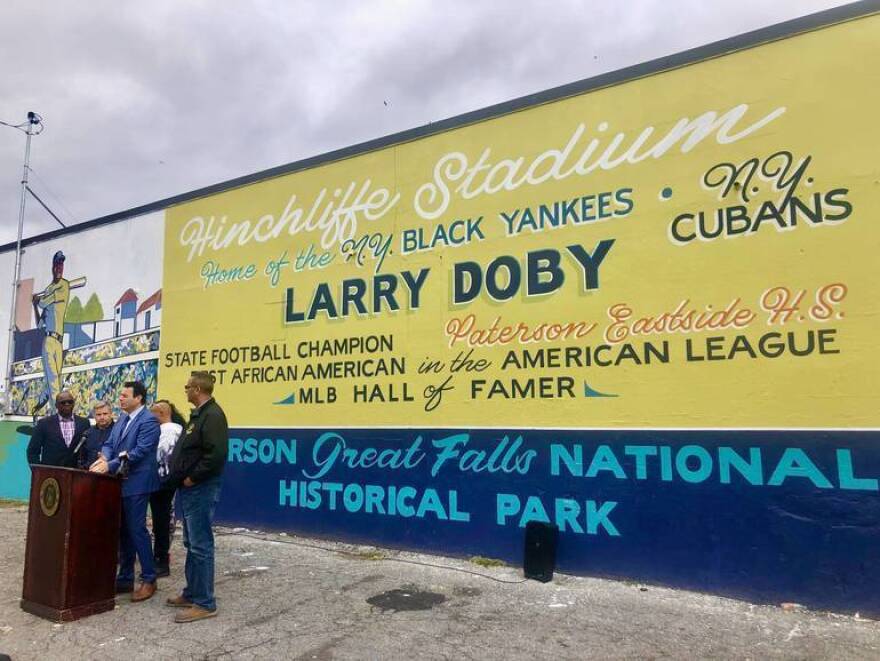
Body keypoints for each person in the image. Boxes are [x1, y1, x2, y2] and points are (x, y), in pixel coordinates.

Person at [165, 371, 228, 623]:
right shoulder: (199, 415)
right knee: (192, 544)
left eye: (188, 386)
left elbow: (216, 455)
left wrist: (192, 478)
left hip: (200, 488)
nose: (185, 389)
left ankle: (205, 603)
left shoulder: (213, 416)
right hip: (190, 490)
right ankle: (192, 593)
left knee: (201, 545)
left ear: (198, 389)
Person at [90, 380, 161, 602]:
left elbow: (139, 452)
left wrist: (109, 465)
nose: (120, 398)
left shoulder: (149, 421)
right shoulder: (122, 419)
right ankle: (125, 577)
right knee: (123, 531)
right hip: (120, 482)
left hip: (138, 483)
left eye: (124, 395)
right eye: (120, 395)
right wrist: (104, 456)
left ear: (138, 398)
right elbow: (110, 443)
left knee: (137, 529)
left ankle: (149, 579)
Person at [31, 250, 85, 417]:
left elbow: (46, 301)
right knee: (54, 382)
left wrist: (38, 300)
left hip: (59, 342)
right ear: (53, 267)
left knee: (53, 383)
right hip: (49, 340)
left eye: (61, 265)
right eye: (57, 265)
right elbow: (40, 323)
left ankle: (36, 408)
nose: (59, 268)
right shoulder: (49, 289)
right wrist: (34, 305)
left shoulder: (63, 286)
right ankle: (58, 420)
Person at [149, 400, 184, 578]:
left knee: (161, 522)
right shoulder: (176, 429)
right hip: (164, 482)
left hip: (161, 482)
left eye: (152, 414)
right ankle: (160, 558)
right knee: (162, 521)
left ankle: (161, 561)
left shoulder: (169, 430)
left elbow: (161, 455)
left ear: (161, 413)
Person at [26, 390, 90, 467]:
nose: (67, 404)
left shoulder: (84, 423)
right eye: (63, 402)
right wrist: (39, 472)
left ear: (73, 404)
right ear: (56, 405)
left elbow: (88, 449)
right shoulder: (44, 424)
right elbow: (32, 452)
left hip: (76, 474)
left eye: (70, 402)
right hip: (51, 475)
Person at [77, 400, 115, 469]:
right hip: (89, 474)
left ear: (111, 414)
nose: (102, 417)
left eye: (105, 414)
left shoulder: (118, 431)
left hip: (111, 475)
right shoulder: (87, 433)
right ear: (94, 416)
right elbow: (82, 457)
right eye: (99, 415)